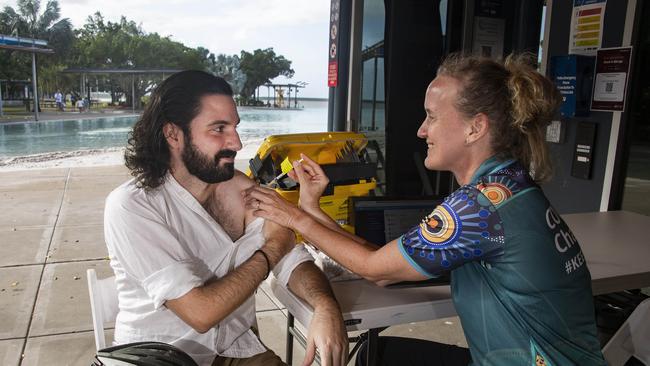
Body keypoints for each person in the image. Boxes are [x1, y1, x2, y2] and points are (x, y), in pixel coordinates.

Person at [243, 54, 607, 365]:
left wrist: (291, 215)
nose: (421, 130)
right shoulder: (508, 186)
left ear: (475, 127)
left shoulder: (476, 208)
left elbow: (373, 270)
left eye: (432, 116)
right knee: (378, 354)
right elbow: (382, 262)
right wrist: (311, 207)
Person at [104, 70, 348, 366]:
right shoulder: (133, 206)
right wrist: (271, 250)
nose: (236, 143)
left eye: (234, 127)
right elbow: (200, 313)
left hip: (236, 350)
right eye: (218, 129)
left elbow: (293, 262)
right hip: (161, 356)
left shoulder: (243, 192)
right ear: (173, 134)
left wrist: (325, 307)